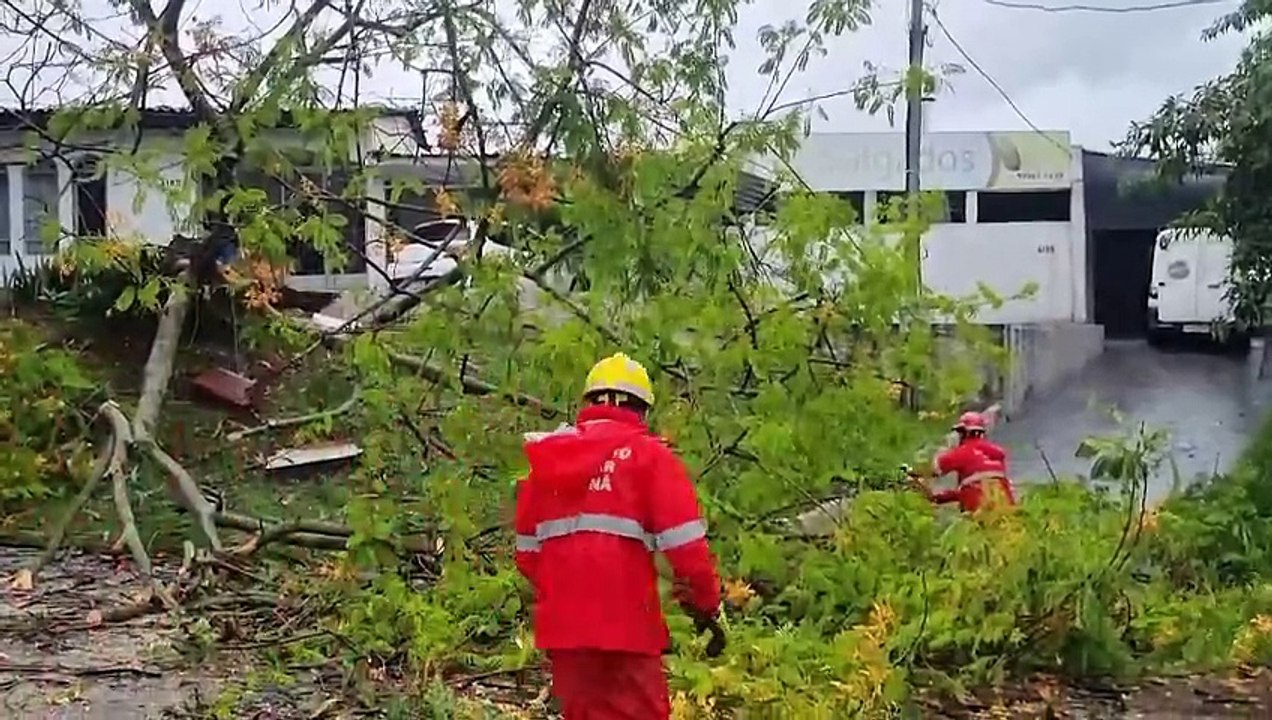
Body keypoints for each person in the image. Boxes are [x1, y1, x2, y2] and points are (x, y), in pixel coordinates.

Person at [514, 352, 723, 720]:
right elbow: (687, 552)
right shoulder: (650, 457)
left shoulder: (547, 459)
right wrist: (705, 607)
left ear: (587, 404)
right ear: (641, 410)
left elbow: (527, 555)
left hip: (565, 629)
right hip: (627, 627)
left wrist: (569, 593)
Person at [908, 411, 1017, 513]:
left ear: (964, 433)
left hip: (977, 509)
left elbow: (930, 471)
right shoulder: (997, 453)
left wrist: (910, 472)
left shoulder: (960, 453)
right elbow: (979, 486)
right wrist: (944, 497)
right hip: (1005, 506)